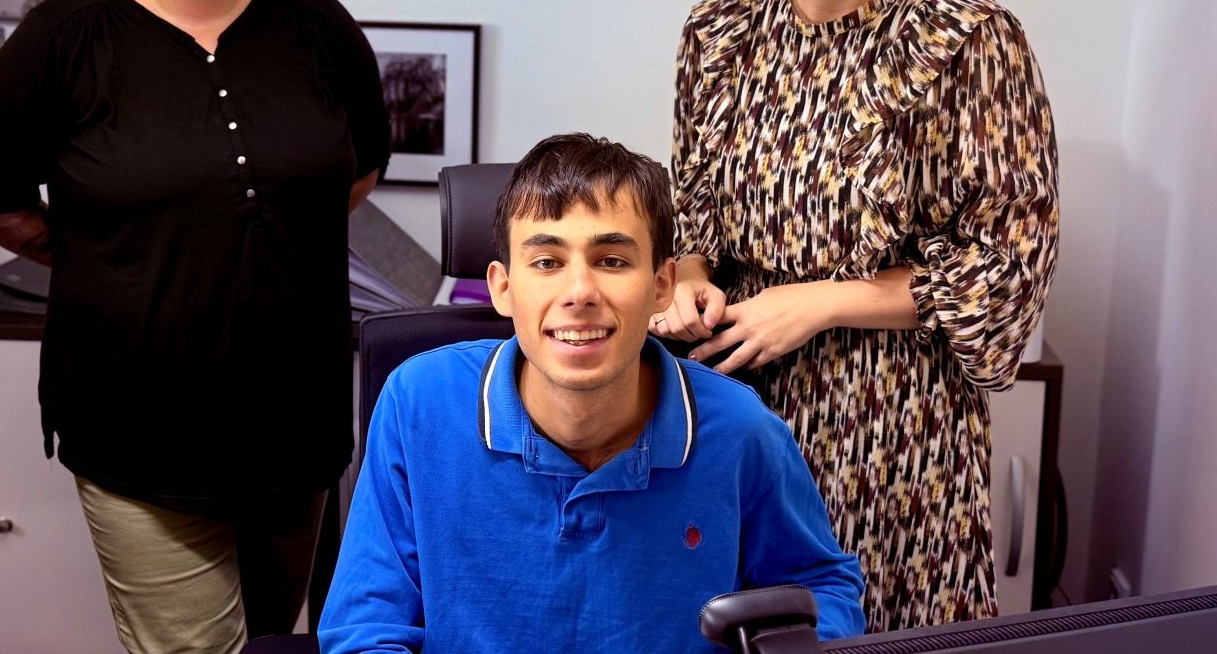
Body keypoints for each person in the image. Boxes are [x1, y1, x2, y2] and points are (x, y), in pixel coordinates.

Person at [0, 0, 390, 654]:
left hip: (295, 425)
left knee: (275, 638)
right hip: (137, 424)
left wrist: (258, 231)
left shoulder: (318, 27)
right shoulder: (65, 37)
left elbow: (361, 166)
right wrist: (102, 252)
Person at [657, 0, 1060, 631]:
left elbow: (1007, 270)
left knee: (876, 628)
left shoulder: (966, 40)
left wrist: (823, 303)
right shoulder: (717, 32)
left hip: (898, 434)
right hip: (735, 414)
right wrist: (687, 278)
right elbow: (693, 208)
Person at [320, 134, 866, 652]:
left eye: (612, 260)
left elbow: (820, 588)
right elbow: (368, 625)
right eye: (546, 262)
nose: (579, 291)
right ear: (503, 289)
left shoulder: (741, 430)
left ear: (661, 285)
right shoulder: (418, 404)